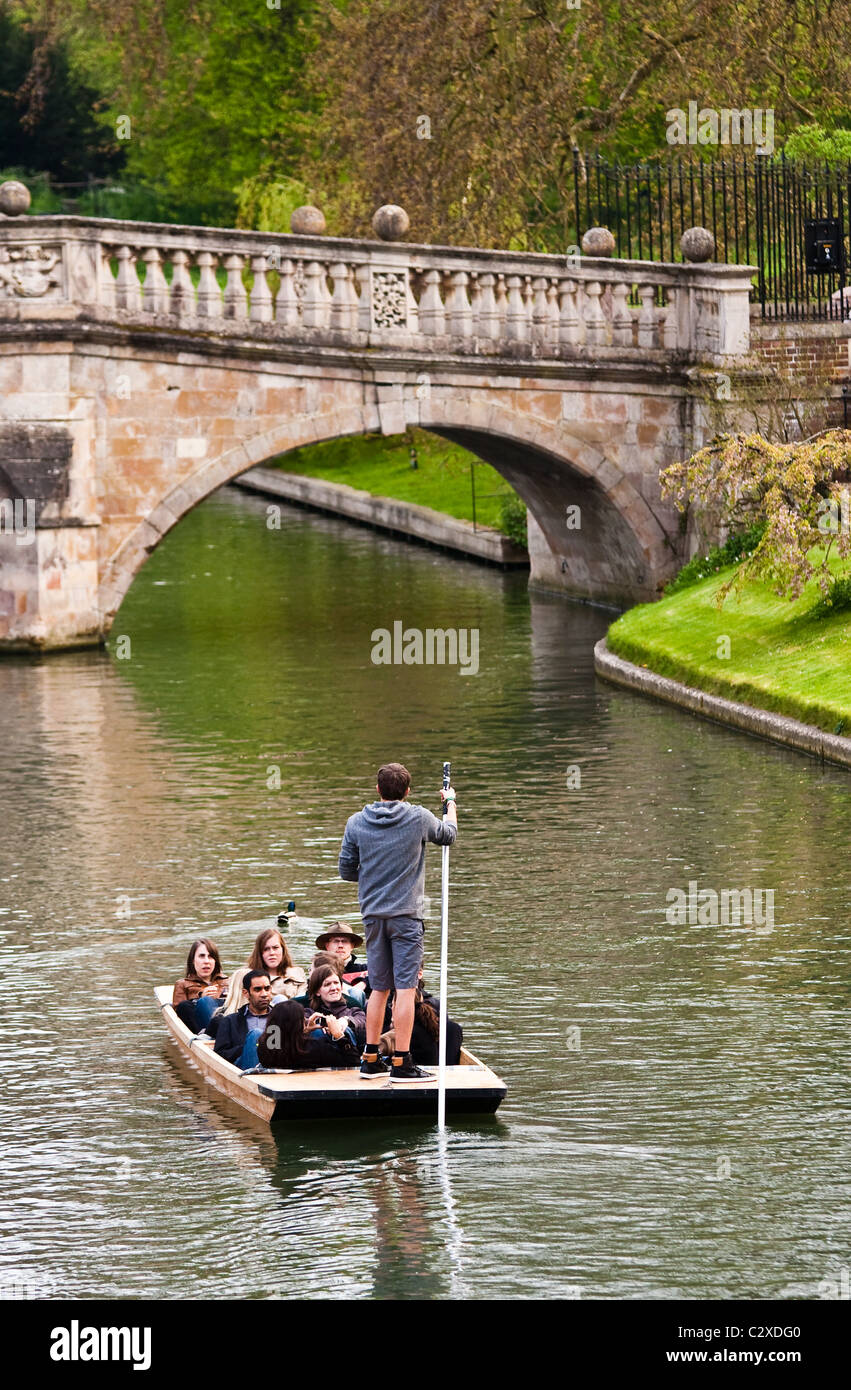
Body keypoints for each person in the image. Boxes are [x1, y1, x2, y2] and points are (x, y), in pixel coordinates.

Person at [338, 761, 457, 1082]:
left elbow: (347, 871)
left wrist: (375, 874)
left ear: (378, 790)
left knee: (378, 988)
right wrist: (450, 802)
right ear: (407, 791)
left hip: (373, 917)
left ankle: (371, 1057)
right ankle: (403, 1063)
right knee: (405, 990)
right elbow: (449, 835)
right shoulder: (418, 817)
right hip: (406, 917)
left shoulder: (356, 823)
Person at [257, 1000, 359, 1071]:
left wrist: (304, 1031)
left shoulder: (264, 1047)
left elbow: (287, 1043)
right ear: (298, 1024)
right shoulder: (316, 1048)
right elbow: (353, 1062)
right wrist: (339, 1035)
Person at [213, 970, 273, 1069]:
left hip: (276, 1069)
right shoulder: (230, 1021)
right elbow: (219, 1055)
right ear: (246, 993)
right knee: (255, 1035)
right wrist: (250, 1046)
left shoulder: (281, 1019)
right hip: (244, 1069)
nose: (264, 994)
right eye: (258, 990)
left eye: (267, 989)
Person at [304, 963, 366, 1049]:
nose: (334, 988)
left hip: (348, 1056)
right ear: (317, 991)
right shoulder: (308, 1013)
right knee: (317, 1032)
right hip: (315, 1056)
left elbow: (362, 1020)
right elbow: (300, 1023)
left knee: (346, 1030)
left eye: (336, 983)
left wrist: (346, 1021)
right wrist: (313, 1025)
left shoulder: (354, 1012)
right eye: (327, 984)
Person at [172, 939, 229, 1034]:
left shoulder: (227, 981)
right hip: (200, 1028)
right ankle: (208, 1034)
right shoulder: (182, 984)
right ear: (193, 961)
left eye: (210, 957)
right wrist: (200, 998)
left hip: (226, 1021)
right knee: (186, 1005)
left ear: (215, 961)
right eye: (202, 956)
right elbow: (178, 1015)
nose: (206, 961)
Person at [314, 922, 369, 993]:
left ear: (352, 946)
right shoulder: (317, 971)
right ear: (327, 946)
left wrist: (364, 983)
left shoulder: (365, 969)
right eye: (336, 941)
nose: (340, 945)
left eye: (344, 941)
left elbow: (383, 978)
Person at [247, 928, 295, 999]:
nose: (272, 953)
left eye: (275, 948)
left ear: (283, 949)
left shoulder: (297, 973)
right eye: (266, 949)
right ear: (259, 953)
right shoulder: (247, 976)